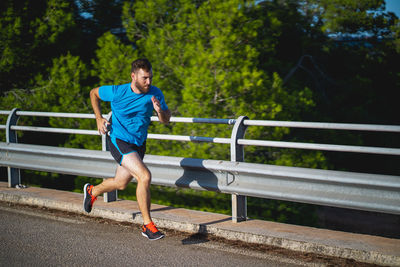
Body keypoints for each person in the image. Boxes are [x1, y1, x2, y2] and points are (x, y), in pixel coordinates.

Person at [83, 58, 171, 240]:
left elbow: (166, 120)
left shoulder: (155, 93)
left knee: (121, 183)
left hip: (138, 143)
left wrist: (159, 110)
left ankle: (92, 191)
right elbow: (93, 93)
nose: (149, 82)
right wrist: (98, 118)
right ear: (133, 76)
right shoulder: (117, 92)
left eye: (151, 77)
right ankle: (148, 225)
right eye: (145, 78)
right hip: (119, 140)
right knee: (144, 176)